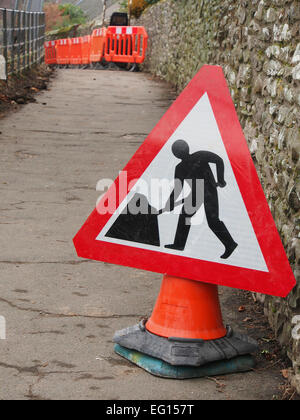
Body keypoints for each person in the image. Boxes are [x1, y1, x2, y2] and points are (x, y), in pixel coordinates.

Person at [160, 140, 238, 259]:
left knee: (212, 221)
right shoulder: (195, 158)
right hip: (197, 192)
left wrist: (220, 179)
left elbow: (218, 160)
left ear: (175, 154)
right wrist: (170, 202)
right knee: (185, 216)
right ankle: (179, 244)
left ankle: (230, 244)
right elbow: (178, 188)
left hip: (208, 191)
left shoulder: (187, 163)